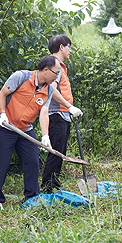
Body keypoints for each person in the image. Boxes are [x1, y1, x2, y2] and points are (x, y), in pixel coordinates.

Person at [0, 55, 83, 210]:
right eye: (56, 73)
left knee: (33, 162)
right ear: (45, 70)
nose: (57, 76)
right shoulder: (21, 77)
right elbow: (2, 94)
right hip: (6, 127)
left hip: (25, 129)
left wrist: (45, 136)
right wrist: (3, 114)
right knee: (1, 164)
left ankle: (32, 198)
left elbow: (44, 113)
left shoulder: (48, 89)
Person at [39, 35, 76, 193]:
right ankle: (47, 186)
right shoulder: (55, 65)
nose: (70, 50)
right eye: (69, 47)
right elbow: (51, 89)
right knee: (56, 152)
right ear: (61, 47)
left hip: (62, 113)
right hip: (56, 114)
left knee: (59, 151)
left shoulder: (58, 65)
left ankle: (53, 183)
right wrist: (68, 106)